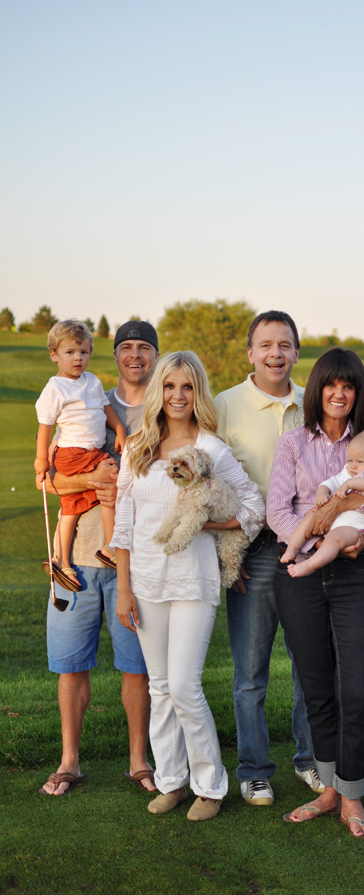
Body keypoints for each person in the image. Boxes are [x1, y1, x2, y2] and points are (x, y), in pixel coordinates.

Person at [114, 351, 264, 821]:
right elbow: (123, 520)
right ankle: (171, 781)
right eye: (170, 386)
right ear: (157, 390)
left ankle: (210, 786)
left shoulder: (211, 449)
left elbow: (253, 508)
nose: (178, 396)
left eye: (187, 387)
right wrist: (123, 588)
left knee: (183, 685)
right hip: (145, 582)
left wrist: (207, 525)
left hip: (194, 582)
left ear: (198, 393)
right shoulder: (137, 446)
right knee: (160, 687)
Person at [268, 347, 364, 839]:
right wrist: (318, 538)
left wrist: (350, 506)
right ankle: (329, 789)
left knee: (358, 688)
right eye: (331, 384)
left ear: (357, 393)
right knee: (316, 686)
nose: (339, 393)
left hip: (356, 571)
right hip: (300, 572)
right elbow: (277, 510)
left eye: (348, 386)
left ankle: (353, 794)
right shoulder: (292, 442)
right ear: (318, 389)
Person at [38, 320, 160, 796]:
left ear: (155, 355)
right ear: (114, 355)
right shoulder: (83, 399)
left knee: (136, 666)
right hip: (75, 561)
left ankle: (139, 761)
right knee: (71, 664)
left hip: (136, 563)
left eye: (144, 347)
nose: (135, 355)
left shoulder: (166, 408)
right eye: (126, 347)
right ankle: (69, 762)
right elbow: (49, 481)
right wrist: (90, 481)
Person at [214, 310, 323, 806]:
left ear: (296, 351)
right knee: (250, 674)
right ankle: (254, 770)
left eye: (284, 344)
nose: (275, 354)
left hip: (308, 548)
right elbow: (212, 482)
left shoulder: (313, 402)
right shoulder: (224, 405)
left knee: (309, 666)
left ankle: (310, 760)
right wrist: (228, 556)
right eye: (266, 345)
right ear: (251, 353)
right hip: (252, 550)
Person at [35, 320, 127, 587]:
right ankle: (111, 547)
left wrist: (120, 429)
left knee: (71, 507)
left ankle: (61, 561)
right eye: (70, 352)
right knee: (110, 479)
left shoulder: (92, 381)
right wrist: (42, 458)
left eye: (84, 352)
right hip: (73, 452)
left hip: (89, 451)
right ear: (54, 355)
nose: (78, 358)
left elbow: (105, 408)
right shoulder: (55, 388)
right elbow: (45, 426)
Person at [281, 429, 364, 577]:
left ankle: (310, 565)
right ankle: (292, 548)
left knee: (335, 537)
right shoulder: (349, 471)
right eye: (350, 460)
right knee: (309, 517)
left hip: (355, 528)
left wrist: (349, 484)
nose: (353, 466)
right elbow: (332, 482)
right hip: (332, 520)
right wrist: (322, 492)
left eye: (359, 461)